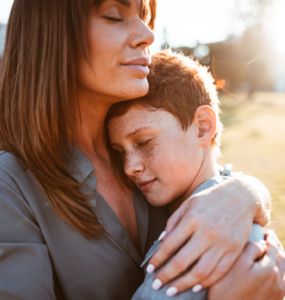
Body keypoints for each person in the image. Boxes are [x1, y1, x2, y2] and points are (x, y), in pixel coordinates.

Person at [0, 1, 283, 299]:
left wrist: (246, 193)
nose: (148, 33)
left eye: (145, 16)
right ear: (51, 35)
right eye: (114, 16)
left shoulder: (160, 157)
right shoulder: (12, 186)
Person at [105, 49, 284, 299]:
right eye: (120, 152)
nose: (129, 167)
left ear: (202, 127)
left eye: (144, 141)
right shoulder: (229, 198)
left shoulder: (205, 240)